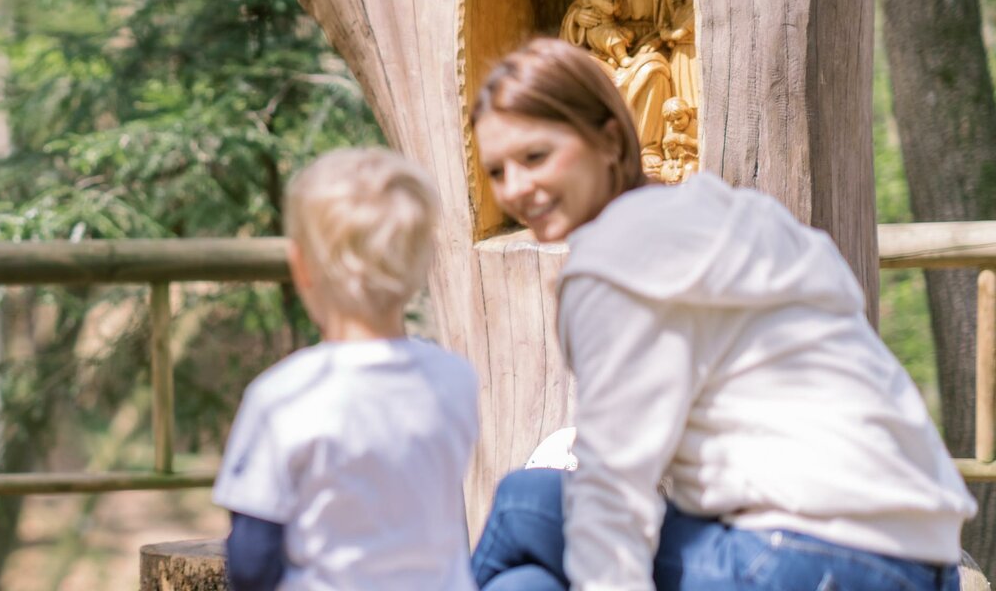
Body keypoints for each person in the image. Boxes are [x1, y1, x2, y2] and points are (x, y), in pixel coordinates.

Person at [468, 37, 974, 590]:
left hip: (807, 556)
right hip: (928, 560)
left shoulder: (610, 261)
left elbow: (612, 496)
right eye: (496, 171)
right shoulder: (738, 214)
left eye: (535, 156)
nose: (515, 188)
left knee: (524, 500)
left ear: (610, 139)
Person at [212, 148, 481, 590]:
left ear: (301, 267)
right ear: (421, 266)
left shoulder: (284, 396)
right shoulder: (456, 381)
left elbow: (251, 559)